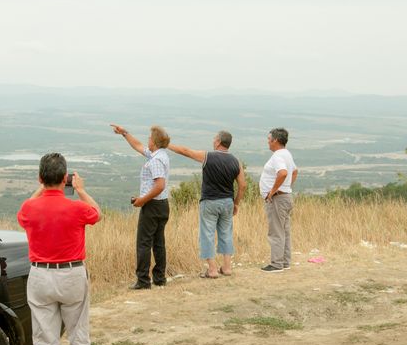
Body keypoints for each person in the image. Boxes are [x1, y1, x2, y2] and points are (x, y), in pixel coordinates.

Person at [17, 153, 102, 345]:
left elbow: (25, 208)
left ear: (40, 178)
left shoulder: (29, 208)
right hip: (72, 274)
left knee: (44, 339)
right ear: (66, 178)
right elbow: (97, 213)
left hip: (40, 275)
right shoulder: (77, 208)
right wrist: (81, 190)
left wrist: (41, 189)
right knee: (78, 335)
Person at [169, 131, 247, 278]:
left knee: (207, 234)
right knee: (226, 233)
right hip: (228, 202)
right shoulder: (236, 161)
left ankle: (212, 269)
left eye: (214, 139)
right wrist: (236, 204)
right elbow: (242, 185)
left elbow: (185, 151)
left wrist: (167, 144)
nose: (213, 141)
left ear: (218, 142)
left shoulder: (208, 156)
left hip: (210, 201)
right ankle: (227, 267)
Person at [110, 124, 170, 290]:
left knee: (144, 243)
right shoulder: (161, 154)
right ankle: (159, 278)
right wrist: (124, 133)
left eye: (149, 138)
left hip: (152, 205)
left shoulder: (156, 160)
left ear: (154, 142)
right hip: (162, 204)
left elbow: (160, 185)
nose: (147, 140)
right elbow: (138, 146)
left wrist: (142, 200)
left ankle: (143, 280)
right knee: (159, 242)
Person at [259, 128, 298, 273]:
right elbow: (294, 171)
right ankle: (285, 262)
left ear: (275, 140)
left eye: (269, 139)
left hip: (278, 199)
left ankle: (276, 264)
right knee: (284, 231)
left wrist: (273, 191)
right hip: (285, 197)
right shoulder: (287, 154)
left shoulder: (277, 156)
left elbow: (283, 173)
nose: (268, 142)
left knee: (276, 232)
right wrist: (287, 187)